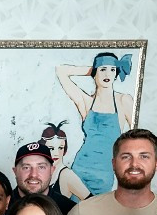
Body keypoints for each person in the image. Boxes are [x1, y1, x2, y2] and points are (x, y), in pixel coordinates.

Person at [56, 52, 138, 198]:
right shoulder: (86, 102)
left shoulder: (123, 101)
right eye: (103, 69)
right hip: (80, 168)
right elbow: (61, 71)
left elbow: (139, 139)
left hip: (104, 173)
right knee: (72, 213)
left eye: (112, 70)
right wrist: (93, 70)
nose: (108, 74)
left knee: (96, 213)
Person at [12, 136, 75, 215]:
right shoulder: (1, 207)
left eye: (41, 167)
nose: (33, 174)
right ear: (15, 171)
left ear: (52, 170)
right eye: (26, 167)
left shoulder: (70, 211)